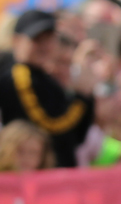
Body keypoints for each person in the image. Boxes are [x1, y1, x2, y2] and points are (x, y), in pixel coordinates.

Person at [0, 9, 95, 168]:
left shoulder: (44, 78)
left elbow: (76, 137)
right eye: (37, 39)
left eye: (49, 38)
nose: (44, 46)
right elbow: (50, 126)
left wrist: (85, 96)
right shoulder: (18, 78)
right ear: (16, 41)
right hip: (32, 180)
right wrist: (81, 98)